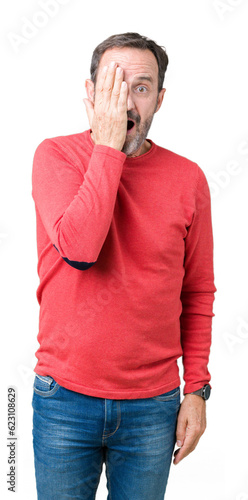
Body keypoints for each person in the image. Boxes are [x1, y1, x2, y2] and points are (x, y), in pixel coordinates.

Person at [31, 32, 217, 500]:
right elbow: (79, 250)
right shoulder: (54, 156)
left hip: (153, 407)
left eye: (141, 86)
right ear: (90, 93)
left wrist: (196, 389)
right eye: (113, 83)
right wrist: (109, 148)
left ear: (159, 99)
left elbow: (196, 292)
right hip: (63, 401)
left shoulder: (188, 178)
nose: (126, 100)